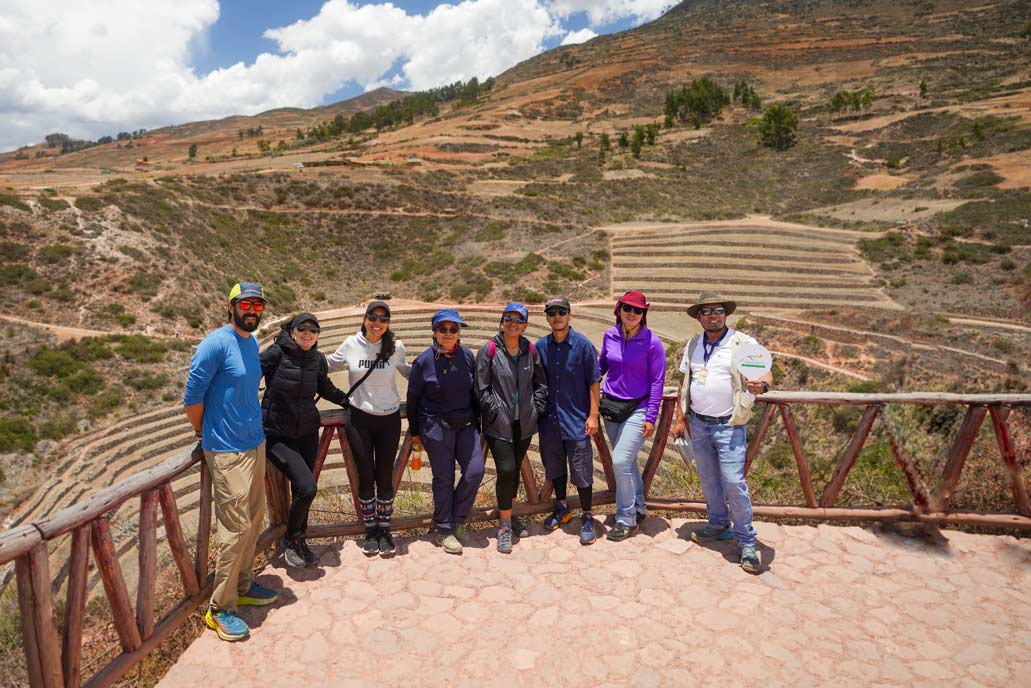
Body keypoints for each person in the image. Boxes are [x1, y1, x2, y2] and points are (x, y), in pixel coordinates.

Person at [183, 282, 278, 642]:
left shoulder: (250, 343)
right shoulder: (215, 344)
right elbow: (192, 398)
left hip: (254, 444)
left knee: (254, 519)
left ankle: (242, 585)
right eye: (246, 304)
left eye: (257, 306)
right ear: (231, 306)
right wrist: (202, 432)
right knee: (235, 530)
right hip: (226, 450)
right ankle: (220, 608)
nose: (252, 311)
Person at [671, 292, 772, 574]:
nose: (712, 315)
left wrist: (762, 386)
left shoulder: (742, 343)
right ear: (699, 317)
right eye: (706, 311)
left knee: (733, 482)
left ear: (725, 314)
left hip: (729, 424)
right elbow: (684, 381)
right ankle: (718, 525)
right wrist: (680, 418)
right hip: (698, 424)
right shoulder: (693, 344)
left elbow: (765, 373)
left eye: (717, 310)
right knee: (709, 480)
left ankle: (747, 541)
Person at [261, 312, 348, 568]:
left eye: (313, 329)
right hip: (277, 435)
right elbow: (246, 380)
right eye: (303, 328)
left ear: (318, 335)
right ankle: (290, 539)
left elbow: (325, 388)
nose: (308, 333)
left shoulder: (317, 359)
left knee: (303, 491)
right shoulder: (276, 353)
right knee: (307, 487)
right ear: (292, 331)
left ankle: (300, 540)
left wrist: (348, 401)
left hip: (308, 433)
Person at [327, 301, 411, 556]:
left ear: (388, 323)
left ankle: (384, 529)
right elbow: (325, 366)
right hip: (359, 419)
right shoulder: (351, 344)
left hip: (389, 419)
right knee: (365, 475)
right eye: (373, 317)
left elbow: (409, 372)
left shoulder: (396, 347)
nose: (377, 323)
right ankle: (370, 530)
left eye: (383, 319)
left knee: (384, 475)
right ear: (365, 319)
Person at [406, 309, 485, 555]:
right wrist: (415, 432)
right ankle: (444, 529)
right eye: (443, 329)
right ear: (434, 331)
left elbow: (474, 392)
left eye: (453, 329)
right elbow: (413, 399)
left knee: (475, 471)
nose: (448, 333)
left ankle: (456, 519)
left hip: (467, 426)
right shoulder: (423, 361)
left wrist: (478, 423)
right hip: (436, 427)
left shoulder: (467, 356)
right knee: (444, 478)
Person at [476, 303, 548, 554]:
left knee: (514, 470)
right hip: (499, 424)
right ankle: (505, 525)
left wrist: (537, 408)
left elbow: (540, 384)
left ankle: (510, 513)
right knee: (506, 470)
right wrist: (494, 411)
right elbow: (481, 388)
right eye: (509, 318)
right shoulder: (490, 350)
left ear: (525, 325)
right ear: (502, 321)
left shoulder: (530, 350)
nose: (513, 324)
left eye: (519, 320)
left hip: (524, 423)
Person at [598, 290, 666, 542]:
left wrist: (651, 417)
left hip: (638, 408)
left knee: (620, 461)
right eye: (628, 308)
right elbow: (602, 365)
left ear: (644, 313)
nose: (632, 313)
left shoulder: (652, 342)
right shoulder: (610, 335)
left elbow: (658, 382)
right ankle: (638, 506)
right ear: (619, 309)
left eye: (638, 310)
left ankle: (626, 519)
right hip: (612, 407)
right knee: (627, 462)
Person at [536, 296, 602, 545]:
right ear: (547, 317)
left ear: (569, 315)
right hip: (550, 422)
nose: (557, 316)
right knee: (555, 469)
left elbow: (593, 382)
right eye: (552, 312)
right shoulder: (541, 346)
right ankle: (562, 507)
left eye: (561, 311)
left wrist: (593, 416)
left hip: (576, 421)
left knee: (582, 471)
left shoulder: (583, 346)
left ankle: (587, 515)